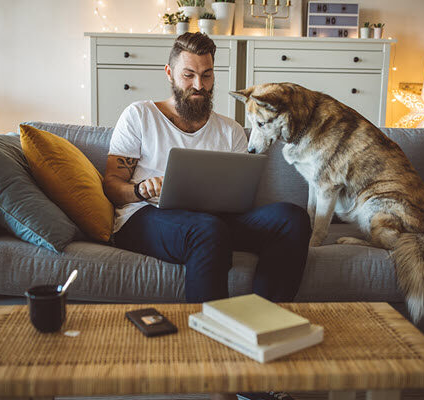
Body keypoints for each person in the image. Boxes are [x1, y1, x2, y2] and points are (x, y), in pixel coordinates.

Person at [104, 32, 311, 305]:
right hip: (146, 216)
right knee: (206, 229)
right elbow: (112, 184)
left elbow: (240, 195)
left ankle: (263, 317)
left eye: (207, 75)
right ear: (169, 73)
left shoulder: (231, 130)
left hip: (215, 221)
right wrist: (141, 190)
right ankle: (207, 338)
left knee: (292, 218)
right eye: (188, 75)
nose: (199, 85)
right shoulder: (140, 115)